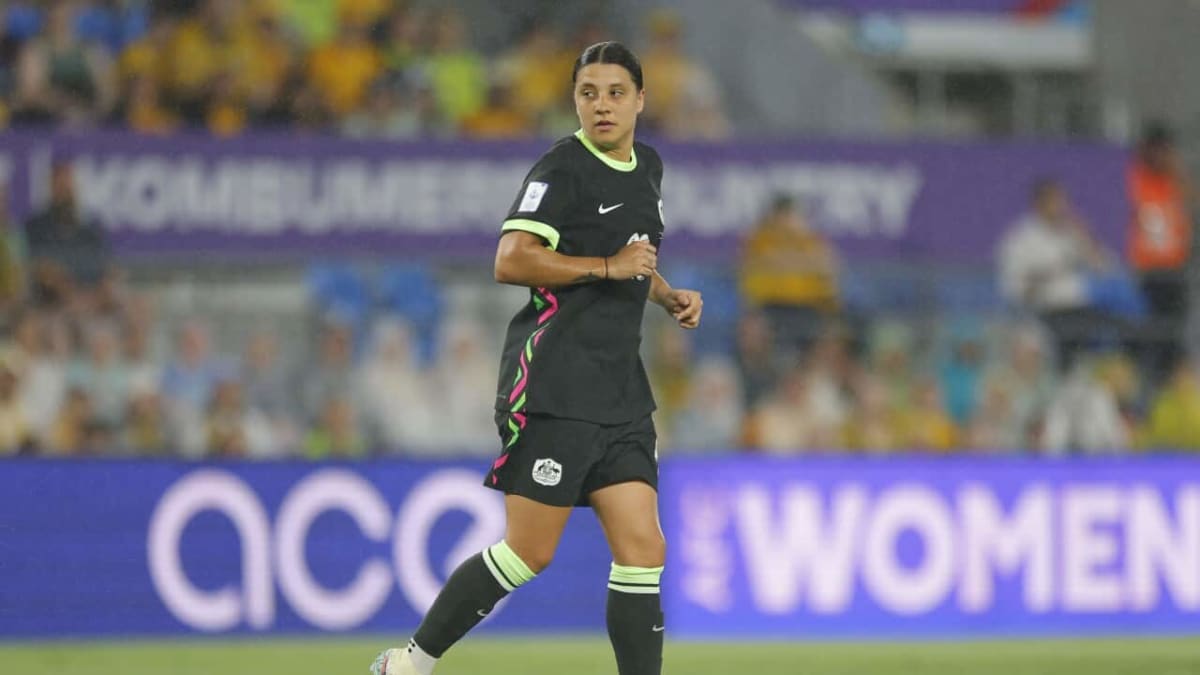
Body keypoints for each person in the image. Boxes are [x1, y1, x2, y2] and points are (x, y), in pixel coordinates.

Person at [370, 41, 703, 675]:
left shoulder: (649, 167)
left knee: (643, 549)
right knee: (529, 553)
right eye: (587, 93)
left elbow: (635, 256)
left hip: (621, 391)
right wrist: (609, 267)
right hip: (554, 383)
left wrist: (664, 295)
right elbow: (511, 259)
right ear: (573, 100)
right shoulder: (561, 170)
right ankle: (410, 663)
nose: (600, 106)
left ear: (640, 99)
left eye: (613, 93)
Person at [997, 178, 1113, 371]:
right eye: (1054, 201)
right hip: (1047, 311)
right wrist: (1045, 276)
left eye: (1062, 201)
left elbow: (1104, 268)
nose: (1060, 207)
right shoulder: (1021, 240)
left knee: (1119, 329)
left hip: (1082, 308)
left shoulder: (1071, 234)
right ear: (1039, 203)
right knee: (1066, 339)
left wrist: (1087, 237)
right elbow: (1012, 289)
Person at [1127, 122, 1193, 386]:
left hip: (1175, 271)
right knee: (1151, 336)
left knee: (1174, 336)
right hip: (1148, 273)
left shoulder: (1173, 180)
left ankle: (1173, 386)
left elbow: (1190, 202)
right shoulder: (1136, 177)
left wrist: (1179, 173)